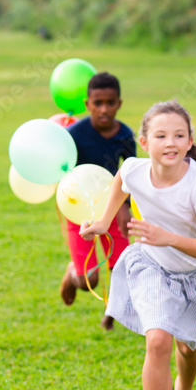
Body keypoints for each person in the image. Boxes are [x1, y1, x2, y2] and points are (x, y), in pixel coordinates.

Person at [80, 100, 196, 390]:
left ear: (190, 141)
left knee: (188, 346)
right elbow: (121, 181)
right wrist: (102, 220)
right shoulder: (133, 168)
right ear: (145, 142)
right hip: (153, 266)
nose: (170, 142)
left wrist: (167, 236)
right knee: (158, 339)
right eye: (160, 135)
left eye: (178, 135)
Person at [60, 72, 138, 330]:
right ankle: (74, 274)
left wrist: (125, 208)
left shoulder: (125, 135)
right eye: (98, 103)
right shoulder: (74, 134)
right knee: (89, 281)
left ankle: (111, 312)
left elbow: (127, 174)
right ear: (87, 104)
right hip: (78, 209)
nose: (104, 109)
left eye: (110, 102)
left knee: (121, 268)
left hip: (111, 207)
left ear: (119, 104)